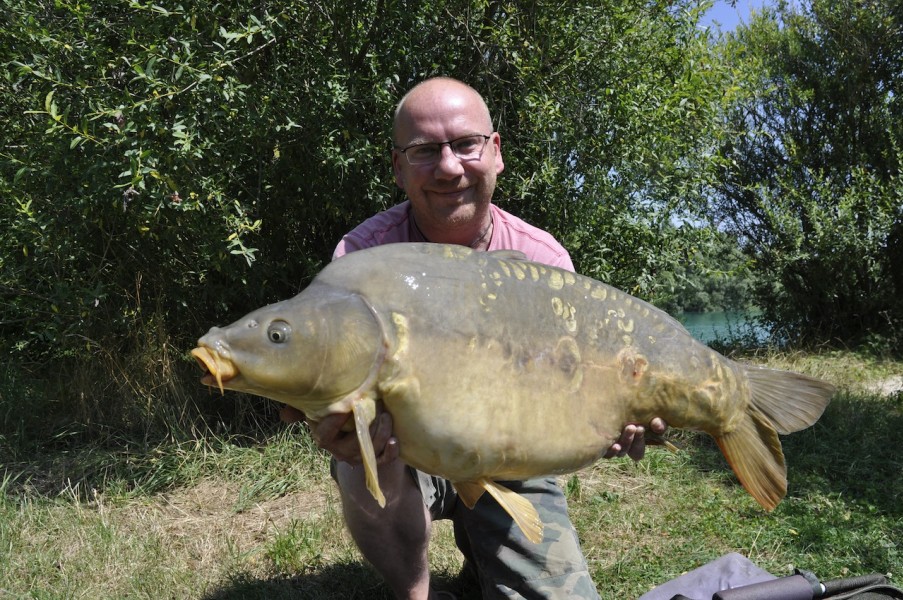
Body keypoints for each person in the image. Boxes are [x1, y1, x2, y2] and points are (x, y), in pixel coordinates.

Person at [282, 77, 667, 600]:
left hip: (512, 453)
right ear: (397, 168)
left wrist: (614, 419)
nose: (448, 167)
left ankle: (489, 557)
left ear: (496, 152)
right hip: (407, 446)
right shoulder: (363, 260)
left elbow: (571, 396)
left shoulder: (543, 261)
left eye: (466, 144)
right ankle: (414, 593)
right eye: (424, 151)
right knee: (362, 467)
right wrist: (333, 422)